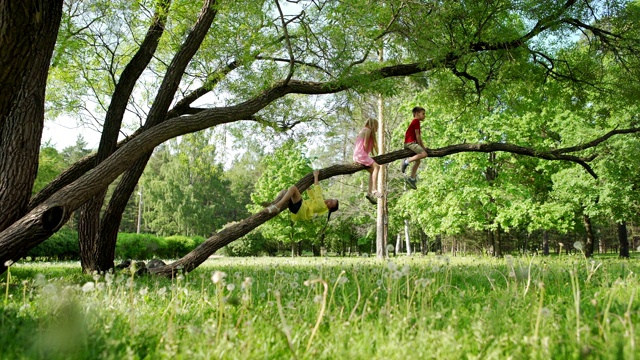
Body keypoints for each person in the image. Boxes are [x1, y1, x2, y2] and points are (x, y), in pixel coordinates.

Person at [263, 170, 339, 222]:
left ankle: (277, 206)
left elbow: (317, 191)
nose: (330, 200)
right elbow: (313, 197)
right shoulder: (321, 204)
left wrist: (316, 176)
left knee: (293, 188)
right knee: (284, 192)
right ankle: (273, 205)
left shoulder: (322, 205)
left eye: (331, 202)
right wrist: (308, 188)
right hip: (297, 209)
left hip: (300, 209)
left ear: (330, 207)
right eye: (331, 199)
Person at [353, 118, 382, 205]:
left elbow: (370, 145)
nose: (377, 129)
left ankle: (369, 194)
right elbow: (365, 144)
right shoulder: (368, 130)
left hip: (357, 155)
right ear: (373, 125)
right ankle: (374, 190)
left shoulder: (364, 130)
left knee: (372, 171)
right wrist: (366, 156)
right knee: (377, 166)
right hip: (360, 154)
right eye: (376, 127)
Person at [401, 106, 428, 189]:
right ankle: (406, 161)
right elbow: (417, 136)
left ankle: (412, 178)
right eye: (423, 114)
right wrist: (422, 147)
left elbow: (418, 135)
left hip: (411, 143)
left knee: (418, 161)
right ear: (417, 114)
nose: (424, 116)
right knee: (424, 154)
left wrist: (422, 146)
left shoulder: (416, 122)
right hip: (410, 143)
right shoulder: (416, 121)